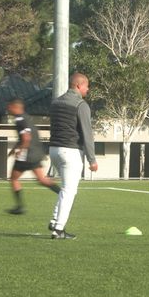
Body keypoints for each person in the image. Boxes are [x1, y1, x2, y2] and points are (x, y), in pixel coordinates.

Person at [47, 73, 99, 239]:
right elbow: (87, 133)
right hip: (70, 151)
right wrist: (92, 159)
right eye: (86, 86)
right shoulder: (81, 104)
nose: (88, 89)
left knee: (64, 190)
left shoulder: (55, 103)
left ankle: (55, 220)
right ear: (78, 85)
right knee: (69, 191)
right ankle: (58, 229)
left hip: (54, 150)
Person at [6, 98, 61, 215]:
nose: (8, 109)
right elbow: (25, 137)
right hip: (35, 154)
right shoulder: (26, 118)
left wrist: (20, 150)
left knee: (13, 178)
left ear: (16, 107)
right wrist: (14, 149)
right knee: (42, 180)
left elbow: (26, 138)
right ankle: (64, 195)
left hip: (26, 155)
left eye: (9, 106)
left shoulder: (20, 120)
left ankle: (20, 207)